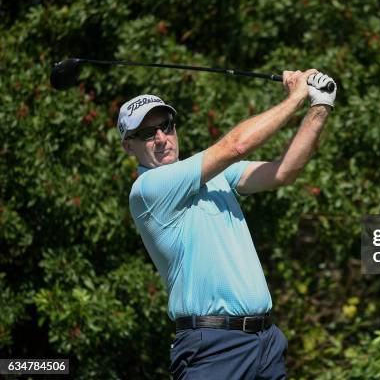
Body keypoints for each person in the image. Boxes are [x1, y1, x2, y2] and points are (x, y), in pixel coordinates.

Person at [117, 70, 336, 379]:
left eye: (166, 126)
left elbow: (285, 172)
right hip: (213, 348)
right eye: (147, 133)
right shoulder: (149, 188)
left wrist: (319, 105)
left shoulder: (217, 177)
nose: (162, 138)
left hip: (266, 342)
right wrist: (297, 96)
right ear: (129, 146)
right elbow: (236, 146)